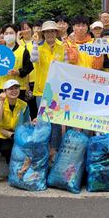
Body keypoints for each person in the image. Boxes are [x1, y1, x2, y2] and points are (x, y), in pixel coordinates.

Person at [32, 20, 67, 150]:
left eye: (52, 31)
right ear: (43, 33)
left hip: (57, 91)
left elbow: (67, 65)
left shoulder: (63, 46)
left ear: (56, 32)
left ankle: (55, 151)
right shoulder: (38, 48)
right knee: (42, 122)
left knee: (56, 123)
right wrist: (35, 43)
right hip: (41, 91)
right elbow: (33, 59)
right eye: (46, 32)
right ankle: (42, 151)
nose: (49, 34)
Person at [0, 79, 28, 186]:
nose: (14, 91)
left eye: (16, 88)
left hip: (14, 134)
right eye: (10, 89)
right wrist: (1, 101)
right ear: (5, 91)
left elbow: (26, 123)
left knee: (7, 149)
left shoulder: (24, 105)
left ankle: (14, 172)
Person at [0, 24, 35, 101]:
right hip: (0, 87)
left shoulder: (23, 50)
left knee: (18, 111)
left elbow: (29, 67)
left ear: (16, 34)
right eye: (6, 33)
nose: (8, 35)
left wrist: (18, 72)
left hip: (18, 88)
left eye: (11, 33)